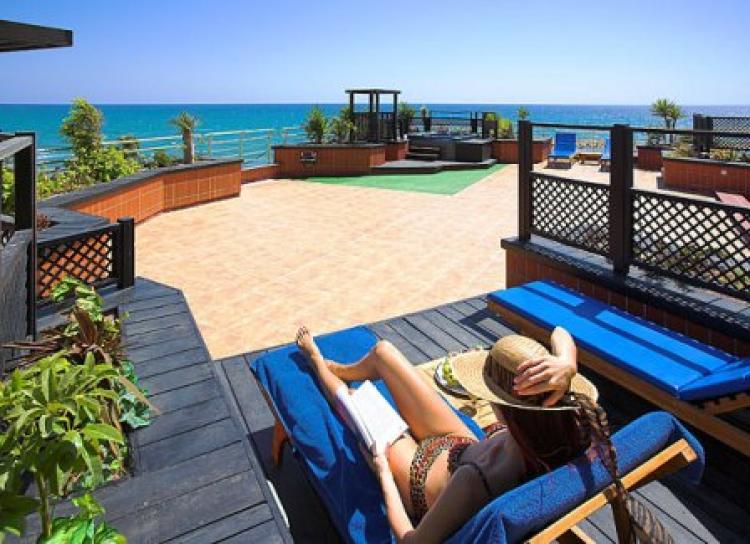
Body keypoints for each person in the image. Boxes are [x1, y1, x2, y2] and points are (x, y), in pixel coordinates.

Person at [295, 326, 672, 544]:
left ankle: (316, 362)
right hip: (463, 446)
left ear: (505, 409)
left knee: (355, 407)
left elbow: (413, 543)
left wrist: (382, 473)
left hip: (422, 473)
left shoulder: (474, 485)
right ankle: (345, 368)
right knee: (385, 352)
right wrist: (566, 364)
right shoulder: (564, 434)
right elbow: (561, 332)